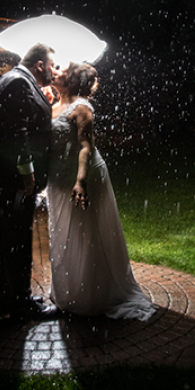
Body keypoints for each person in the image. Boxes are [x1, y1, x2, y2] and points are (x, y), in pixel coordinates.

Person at [46, 62, 156, 321]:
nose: (55, 72)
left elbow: (85, 147)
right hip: (59, 180)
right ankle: (70, 290)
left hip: (84, 176)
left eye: (61, 70)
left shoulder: (82, 108)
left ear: (72, 81)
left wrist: (80, 181)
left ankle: (93, 294)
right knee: (64, 233)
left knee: (87, 235)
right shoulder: (52, 105)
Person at [0, 43, 61, 320]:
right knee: (18, 239)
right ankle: (19, 304)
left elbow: (25, 121)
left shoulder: (16, 80)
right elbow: (19, 133)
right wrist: (27, 176)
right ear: (40, 65)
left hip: (7, 175)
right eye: (52, 65)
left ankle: (11, 298)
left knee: (13, 238)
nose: (54, 70)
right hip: (15, 177)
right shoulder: (18, 83)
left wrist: (44, 102)